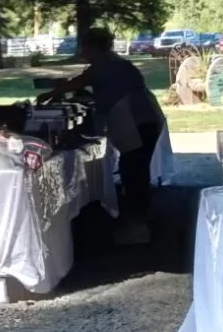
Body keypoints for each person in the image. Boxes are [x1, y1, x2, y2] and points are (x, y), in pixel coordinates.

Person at [38, 27, 163, 245]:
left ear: (93, 46)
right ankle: (138, 222)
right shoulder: (113, 63)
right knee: (134, 170)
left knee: (133, 172)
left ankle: (138, 227)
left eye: (84, 46)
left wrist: (51, 93)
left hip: (135, 121)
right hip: (143, 118)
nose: (81, 50)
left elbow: (79, 81)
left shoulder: (105, 65)